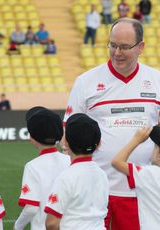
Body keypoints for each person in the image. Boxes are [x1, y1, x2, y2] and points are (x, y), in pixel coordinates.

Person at [63, 17, 160, 230]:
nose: (117, 53)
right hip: (96, 193)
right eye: (113, 45)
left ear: (141, 47)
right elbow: (68, 134)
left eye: (124, 47)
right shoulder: (86, 82)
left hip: (143, 194)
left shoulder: (156, 81)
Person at [45, 113, 109, 230]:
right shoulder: (102, 174)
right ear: (98, 143)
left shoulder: (66, 177)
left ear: (66, 143)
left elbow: (51, 223)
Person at [14, 106, 70, 230]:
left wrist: (17, 226)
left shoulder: (32, 166)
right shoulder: (70, 161)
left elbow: (31, 208)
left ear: (32, 138)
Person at [112, 125, 160, 229]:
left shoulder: (150, 174)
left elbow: (116, 161)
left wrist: (136, 140)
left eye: (155, 146)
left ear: (159, 155)